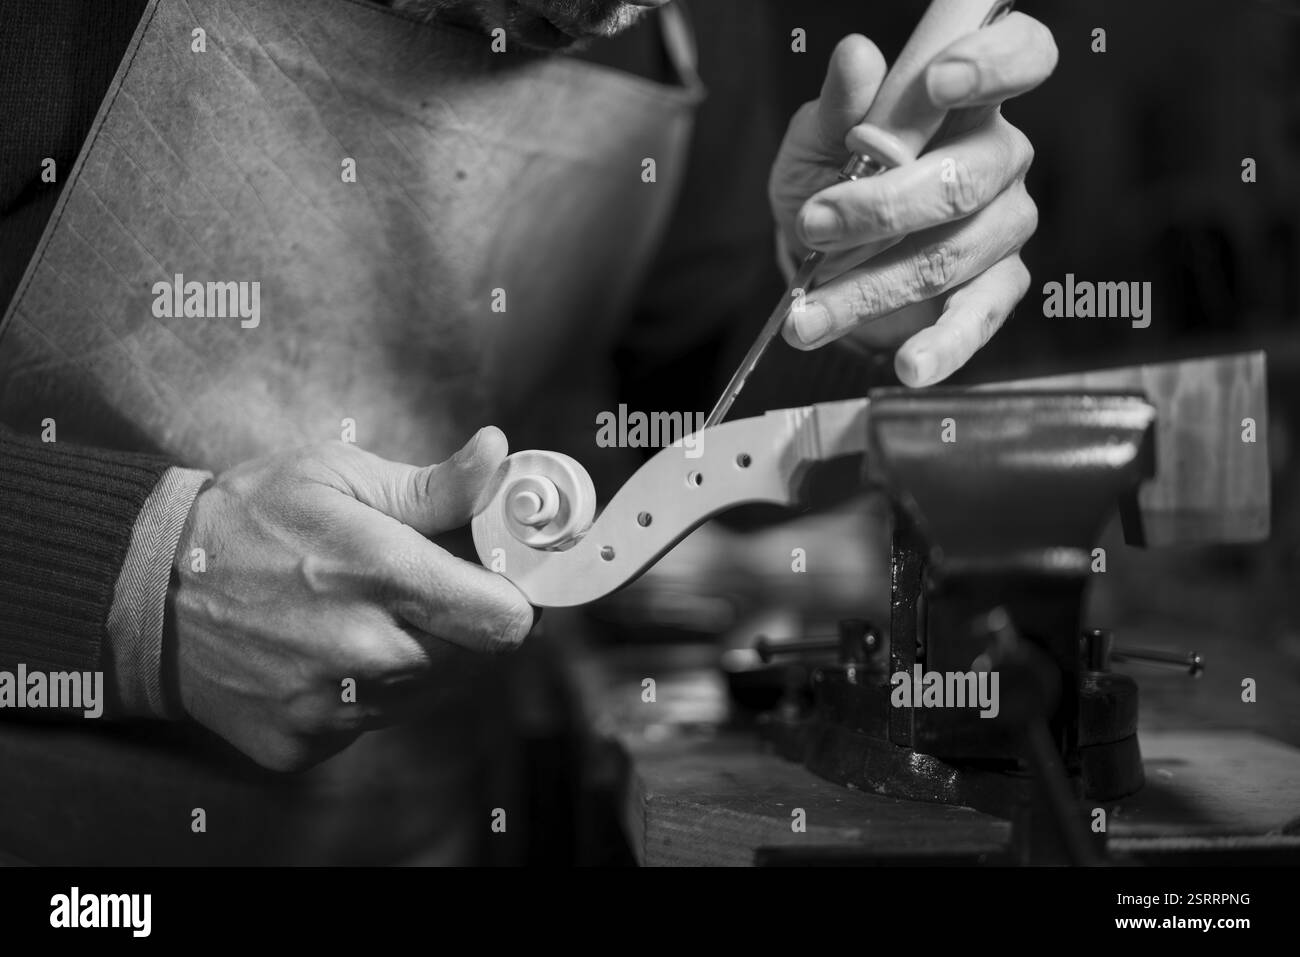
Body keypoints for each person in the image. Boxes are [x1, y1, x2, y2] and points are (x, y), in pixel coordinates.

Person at [0, 0, 1055, 860]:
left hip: (426, 827)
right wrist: (138, 581)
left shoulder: (691, 30)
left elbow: (694, 432)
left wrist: (855, 300)